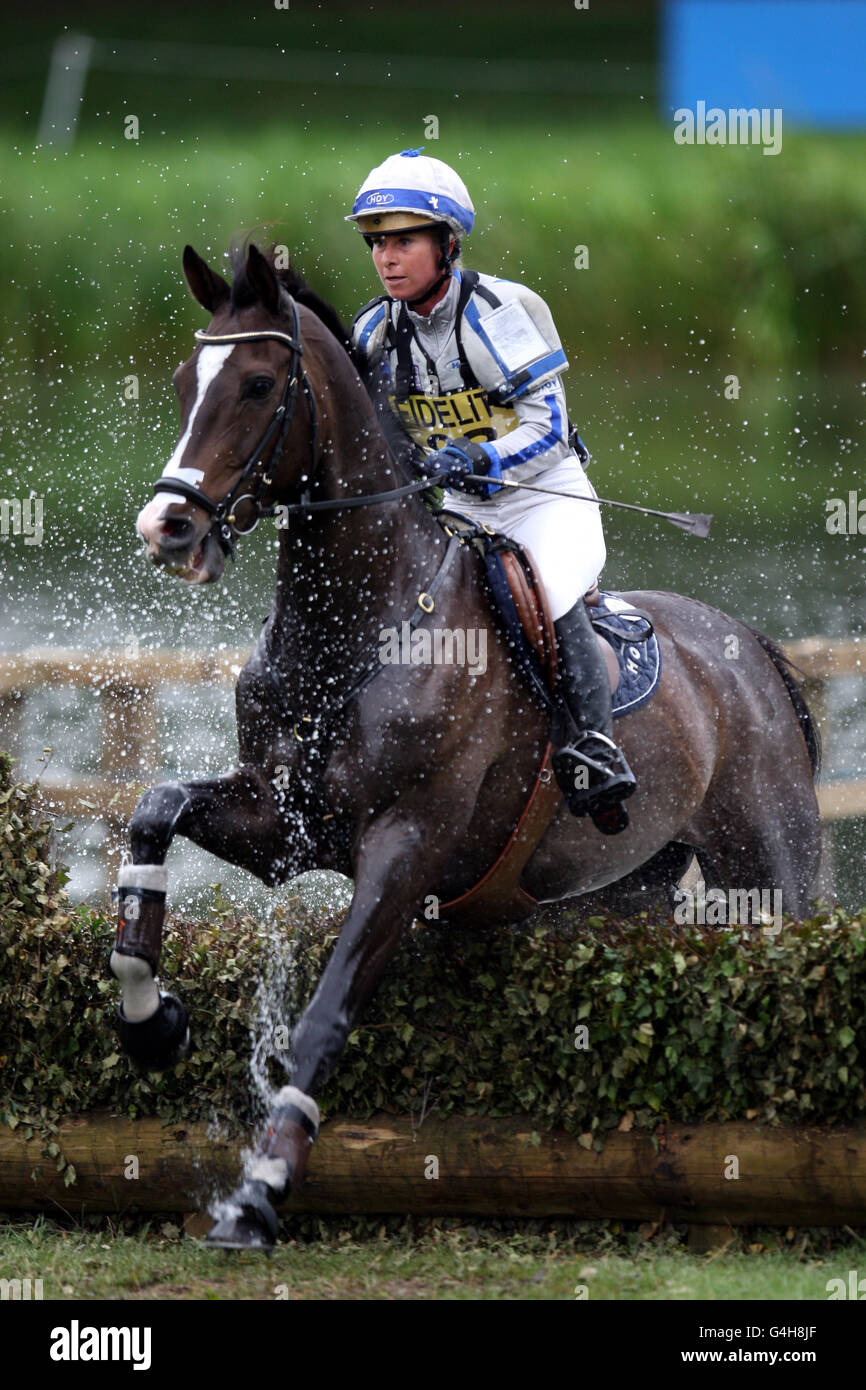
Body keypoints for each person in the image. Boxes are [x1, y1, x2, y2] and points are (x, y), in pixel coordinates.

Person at [347, 149, 636, 833]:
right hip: (458, 509)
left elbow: (551, 428)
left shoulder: (499, 312)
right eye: (377, 243)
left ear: (447, 244)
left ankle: (595, 750)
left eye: (404, 240)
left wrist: (483, 456)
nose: (387, 257)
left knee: (544, 593)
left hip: (544, 500)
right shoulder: (371, 332)